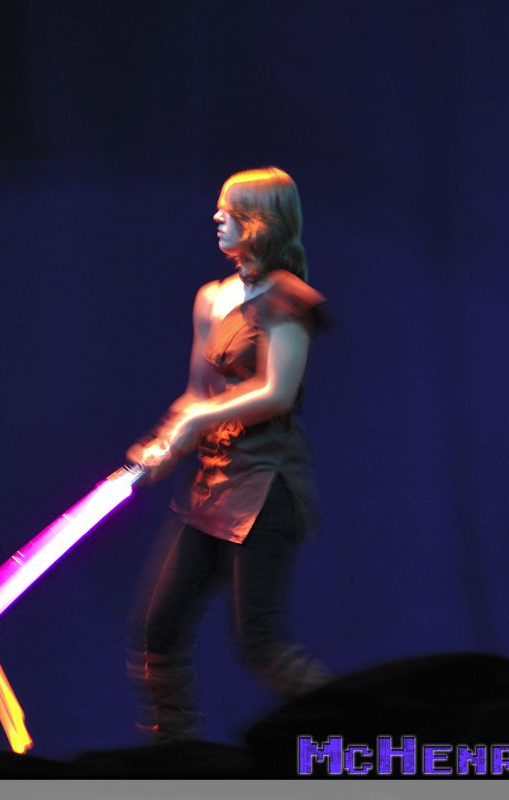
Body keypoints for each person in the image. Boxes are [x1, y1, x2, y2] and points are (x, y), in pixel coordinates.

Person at [125, 166, 331, 743]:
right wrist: (166, 443)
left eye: (230, 209)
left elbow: (277, 392)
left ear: (260, 221)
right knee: (157, 632)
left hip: (266, 485)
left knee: (260, 644)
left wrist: (196, 420)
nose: (216, 217)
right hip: (212, 485)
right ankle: (176, 761)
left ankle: (364, 740)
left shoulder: (288, 300)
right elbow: (197, 394)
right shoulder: (211, 298)